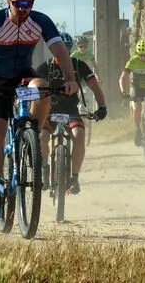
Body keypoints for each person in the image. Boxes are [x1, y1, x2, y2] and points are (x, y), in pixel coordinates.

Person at [0, 0, 79, 220]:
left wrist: (71, 79)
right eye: (19, 3)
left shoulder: (41, 21)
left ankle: (33, 136)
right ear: (9, 0)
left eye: (29, 4)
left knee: (43, 88)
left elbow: (59, 50)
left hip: (24, 76)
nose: (24, 9)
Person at [35, 31, 108, 194]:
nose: (64, 52)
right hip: (49, 112)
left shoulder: (78, 65)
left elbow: (94, 86)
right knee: (41, 137)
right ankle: (44, 169)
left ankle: (74, 177)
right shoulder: (45, 67)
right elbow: (31, 86)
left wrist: (102, 106)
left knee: (79, 135)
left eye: (67, 48)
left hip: (71, 111)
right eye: (60, 48)